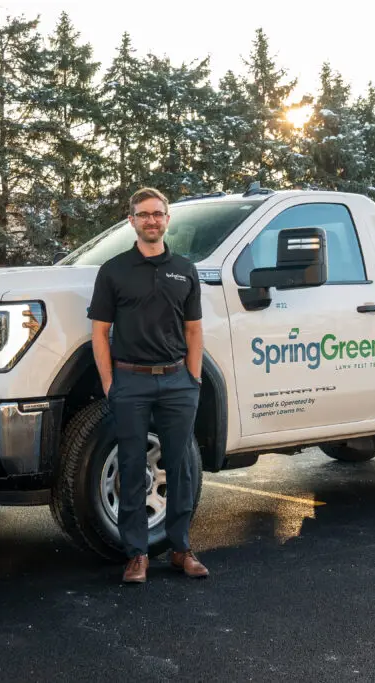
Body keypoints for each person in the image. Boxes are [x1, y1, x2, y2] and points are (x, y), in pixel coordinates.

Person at [87, 187, 209, 584]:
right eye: (144, 214)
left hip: (177, 382)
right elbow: (99, 331)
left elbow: (194, 330)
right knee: (132, 466)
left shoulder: (186, 270)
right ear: (132, 222)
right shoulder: (113, 271)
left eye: (158, 214)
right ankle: (136, 554)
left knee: (180, 468)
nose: (151, 220)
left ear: (167, 220)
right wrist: (109, 382)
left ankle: (181, 549)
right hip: (130, 382)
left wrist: (192, 377)